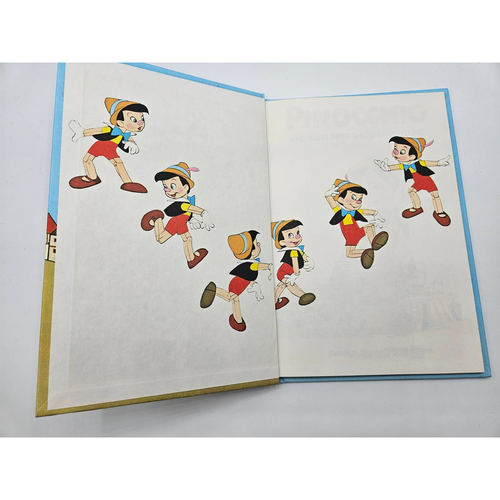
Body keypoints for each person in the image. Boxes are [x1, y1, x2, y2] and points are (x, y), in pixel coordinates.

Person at [68, 97, 149, 193]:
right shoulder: (110, 129)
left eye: (142, 118)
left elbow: (129, 138)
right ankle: (92, 177)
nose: (140, 122)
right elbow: (97, 131)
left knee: (118, 163)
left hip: (110, 149)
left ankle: (128, 183)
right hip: (99, 146)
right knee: (86, 160)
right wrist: (82, 132)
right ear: (119, 122)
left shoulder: (126, 134)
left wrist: (132, 144)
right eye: (133, 119)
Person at [141, 162, 213, 269]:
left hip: (182, 222)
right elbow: (197, 210)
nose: (168, 190)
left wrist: (192, 219)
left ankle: (191, 259)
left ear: (185, 187)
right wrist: (204, 215)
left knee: (187, 238)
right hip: (176, 222)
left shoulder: (186, 201)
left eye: (172, 186)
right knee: (161, 238)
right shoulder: (183, 204)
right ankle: (156, 219)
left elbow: (189, 213)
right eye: (165, 186)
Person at [200, 231, 272, 332]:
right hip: (238, 284)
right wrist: (269, 266)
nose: (259, 246)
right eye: (257, 244)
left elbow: (249, 278)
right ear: (251, 252)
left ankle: (237, 320)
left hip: (240, 283)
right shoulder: (251, 264)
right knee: (230, 297)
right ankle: (214, 290)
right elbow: (258, 266)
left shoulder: (250, 263)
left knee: (235, 300)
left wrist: (254, 284)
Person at [374, 136, 451, 226]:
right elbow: (396, 167)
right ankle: (417, 208)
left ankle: (439, 212)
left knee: (435, 195)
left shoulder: (419, 163)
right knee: (411, 191)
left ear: (412, 156)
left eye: (402, 151)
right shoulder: (405, 165)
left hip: (427, 181)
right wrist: (387, 168)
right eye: (395, 148)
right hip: (418, 183)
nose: (396, 153)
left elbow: (428, 163)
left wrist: (439, 163)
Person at [325, 178, 388, 269]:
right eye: (353, 198)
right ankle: (365, 253)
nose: (358, 202)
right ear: (341, 199)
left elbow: (366, 211)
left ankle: (374, 243)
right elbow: (331, 202)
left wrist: (376, 214)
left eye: (360, 199)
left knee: (370, 227)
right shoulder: (339, 211)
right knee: (349, 253)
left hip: (358, 231)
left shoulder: (354, 212)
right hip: (351, 237)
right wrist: (328, 195)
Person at [271, 219, 316, 309]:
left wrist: (309, 260)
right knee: (290, 284)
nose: (297, 237)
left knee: (282, 285)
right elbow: (295, 264)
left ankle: (273, 301)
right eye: (290, 235)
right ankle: (303, 296)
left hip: (286, 272)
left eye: (297, 233)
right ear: (282, 242)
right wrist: (296, 274)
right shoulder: (293, 252)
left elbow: (303, 255)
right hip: (284, 272)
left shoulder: (297, 249)